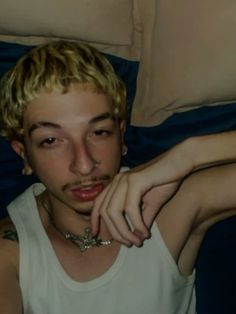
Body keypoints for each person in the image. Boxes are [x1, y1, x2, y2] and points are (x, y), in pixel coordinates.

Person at [0, 40, 236, 314]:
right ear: (24, 154)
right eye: (52, 140)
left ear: (121, 135)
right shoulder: (12, 251)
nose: (84, 164)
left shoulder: (169, 207)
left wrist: (187, 155)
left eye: (99, 132)